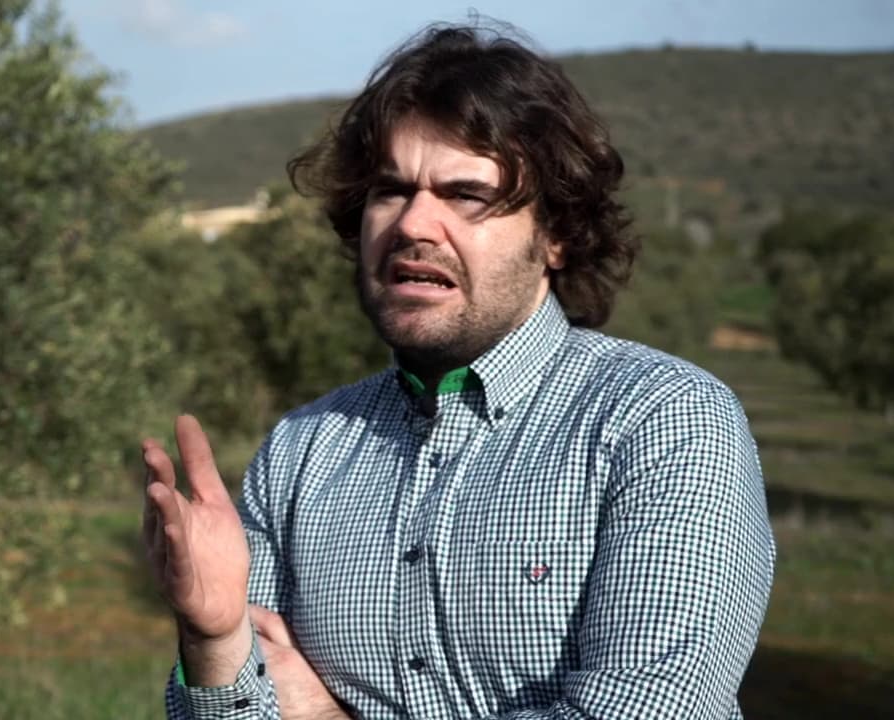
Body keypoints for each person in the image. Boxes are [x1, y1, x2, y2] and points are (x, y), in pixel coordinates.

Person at [141, 20, 775, 720]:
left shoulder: (663, 422)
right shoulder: (301, 453)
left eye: (465, 194)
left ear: (557, 232)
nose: (414, 223)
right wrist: (214, 639)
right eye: (391, 189)